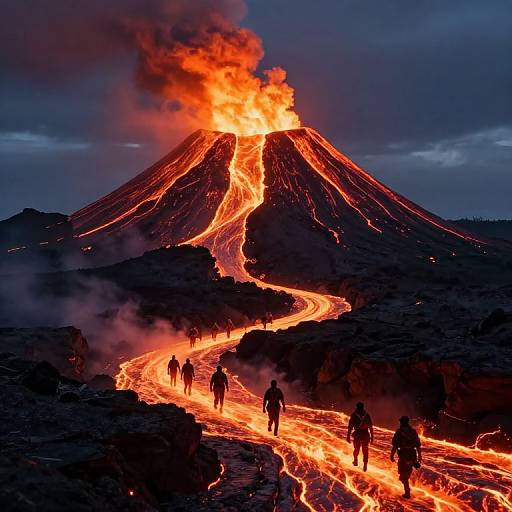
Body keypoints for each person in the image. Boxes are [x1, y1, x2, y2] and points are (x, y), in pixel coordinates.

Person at [390, 416, 422, 499]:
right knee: (405, 474)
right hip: (412, 455)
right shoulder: (413, 432)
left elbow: (395, 445)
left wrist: (392, 455)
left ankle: (407, 492)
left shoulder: (399, 432)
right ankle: (408, 486)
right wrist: (419, 456)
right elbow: (418, 445)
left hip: (403, 456)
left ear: (401, 422)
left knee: (402, 476)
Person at [346, 402, 374, 472]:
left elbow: (350, 426)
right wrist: (372, 437)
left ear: (357, 407)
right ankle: (365, 465)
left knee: (356, 449)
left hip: (357, 435)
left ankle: (355, 460)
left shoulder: (354, 415)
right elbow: (370, 427)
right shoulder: (367, 415)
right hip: (365, 435)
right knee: (365, 451)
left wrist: (348, 436)